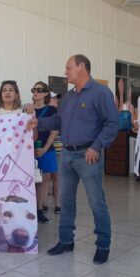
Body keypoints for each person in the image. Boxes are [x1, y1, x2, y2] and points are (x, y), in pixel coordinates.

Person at [32, 54, 119, 264]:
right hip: (67, 155)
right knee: (66, 201)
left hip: (88, 155)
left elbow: (112, 123)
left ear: (82, 67)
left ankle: (103, 245)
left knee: (96, 202)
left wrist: (97, 146)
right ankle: (65, 241)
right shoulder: (69, 97)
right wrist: (37, 122)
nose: (66, 72)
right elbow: (57, 121)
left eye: (69, 68)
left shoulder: (100, 93)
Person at [31, 82, 59, 223]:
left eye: (39, 90)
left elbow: (54, 132)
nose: (36, 92)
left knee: (44, 180)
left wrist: (44, 149)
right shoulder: (27, 110)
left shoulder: (51, 110)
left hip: (46, 149)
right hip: (29, 150)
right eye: (34, 89)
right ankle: (31, 209)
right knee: (32, 180)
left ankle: (39, 210)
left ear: (46, 93)